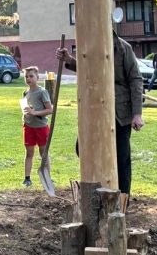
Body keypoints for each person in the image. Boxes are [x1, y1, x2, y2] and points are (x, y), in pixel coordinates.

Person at [57, 31, 145, 213]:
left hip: (119, 111)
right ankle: (96, 195)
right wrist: (69, 59)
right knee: (81, 149)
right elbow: (86, 66)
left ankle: (121, 202)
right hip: (93, 109)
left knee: (121, 158)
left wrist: (137, 113)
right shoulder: (91, 45)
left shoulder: (123, 48)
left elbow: (136, 79)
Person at [20, 66, 53, 187]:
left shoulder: (42, 92)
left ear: (37, 78)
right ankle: (27, 178)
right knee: (29, 152)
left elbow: (50, 110)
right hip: (28, 126)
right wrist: (26, 111)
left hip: (41, 127)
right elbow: (27, 106)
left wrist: (35, 113)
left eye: (31, 76)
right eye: (26, 77)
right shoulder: (26, 92)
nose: (28, 78)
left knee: (43, 152)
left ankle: (47, 177)